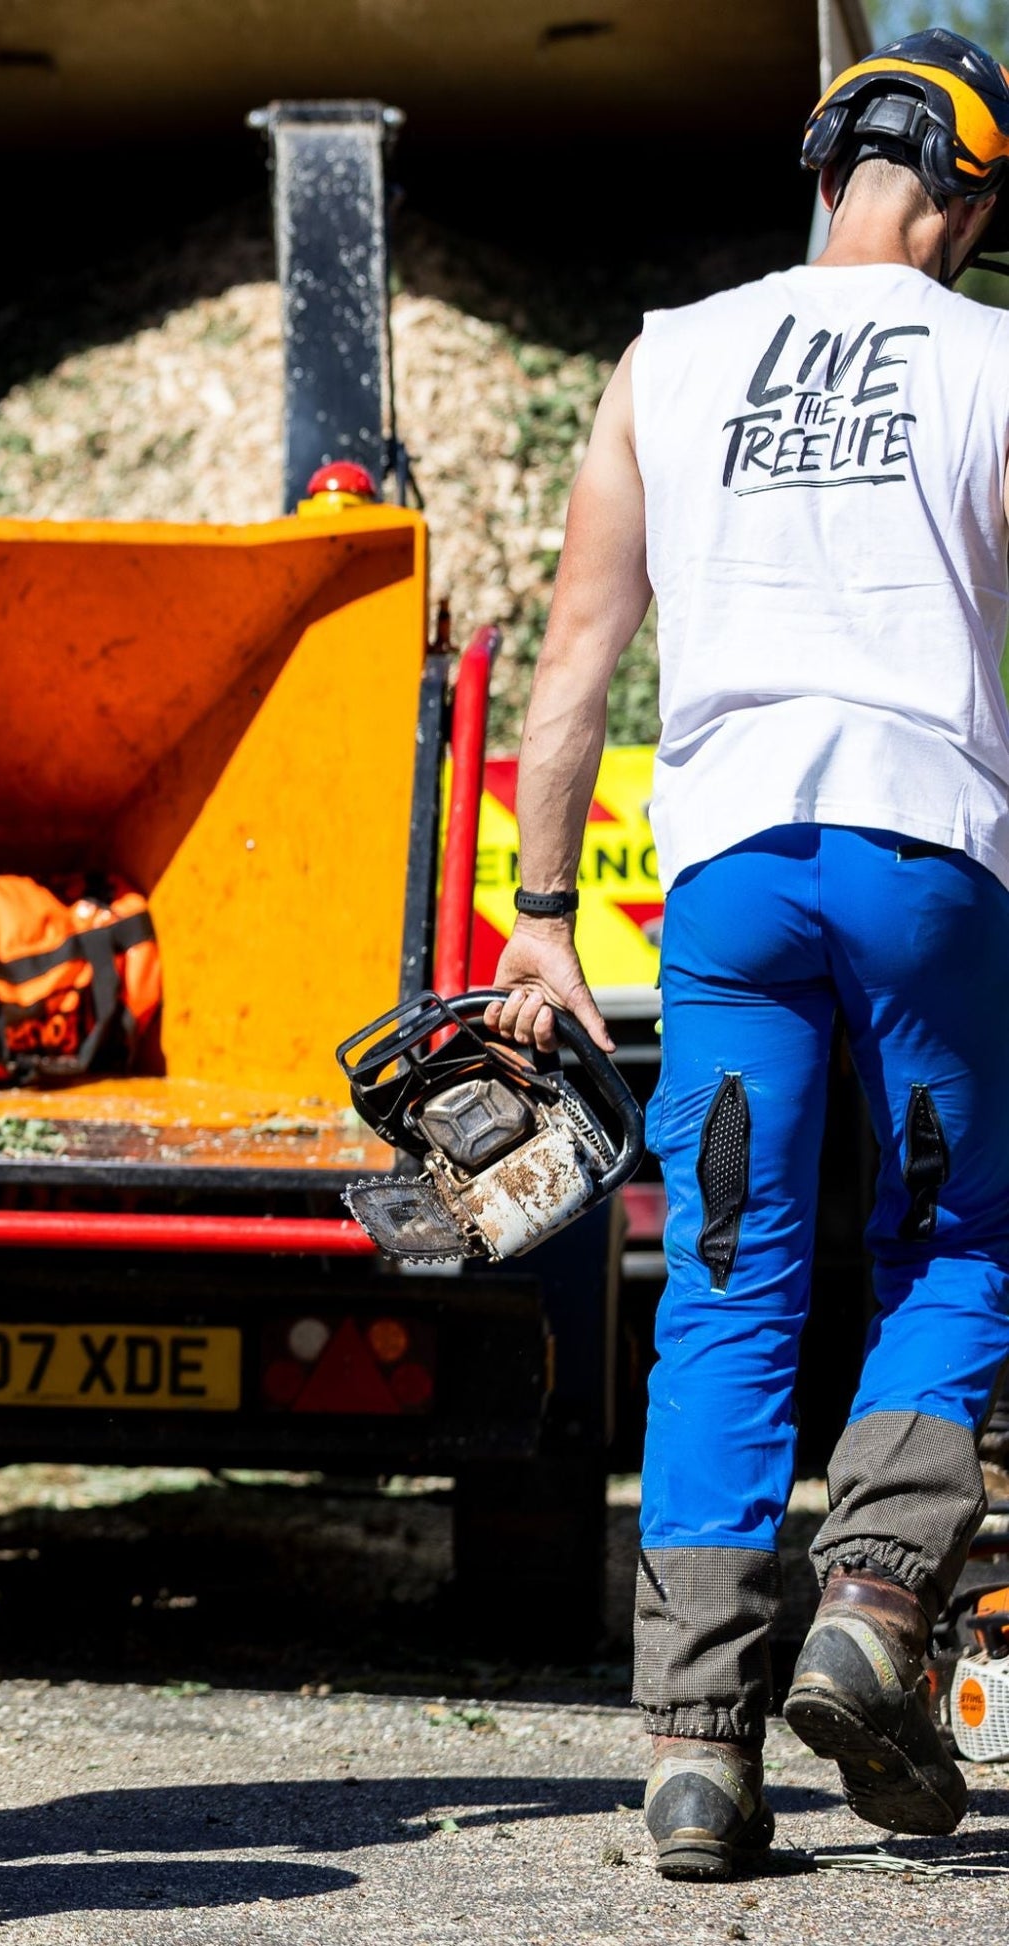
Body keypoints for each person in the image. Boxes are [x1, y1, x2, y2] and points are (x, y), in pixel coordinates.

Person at [486, 29, 1009, 1880]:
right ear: (963, 197)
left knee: (720, 1270)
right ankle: (871, 1606)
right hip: (924, 852)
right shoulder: (993, 358)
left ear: (820, 167)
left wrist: (540, 922)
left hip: (719, 880)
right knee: (954, 1235)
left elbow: (572, 668)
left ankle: (694, 1757)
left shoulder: (669, 349)